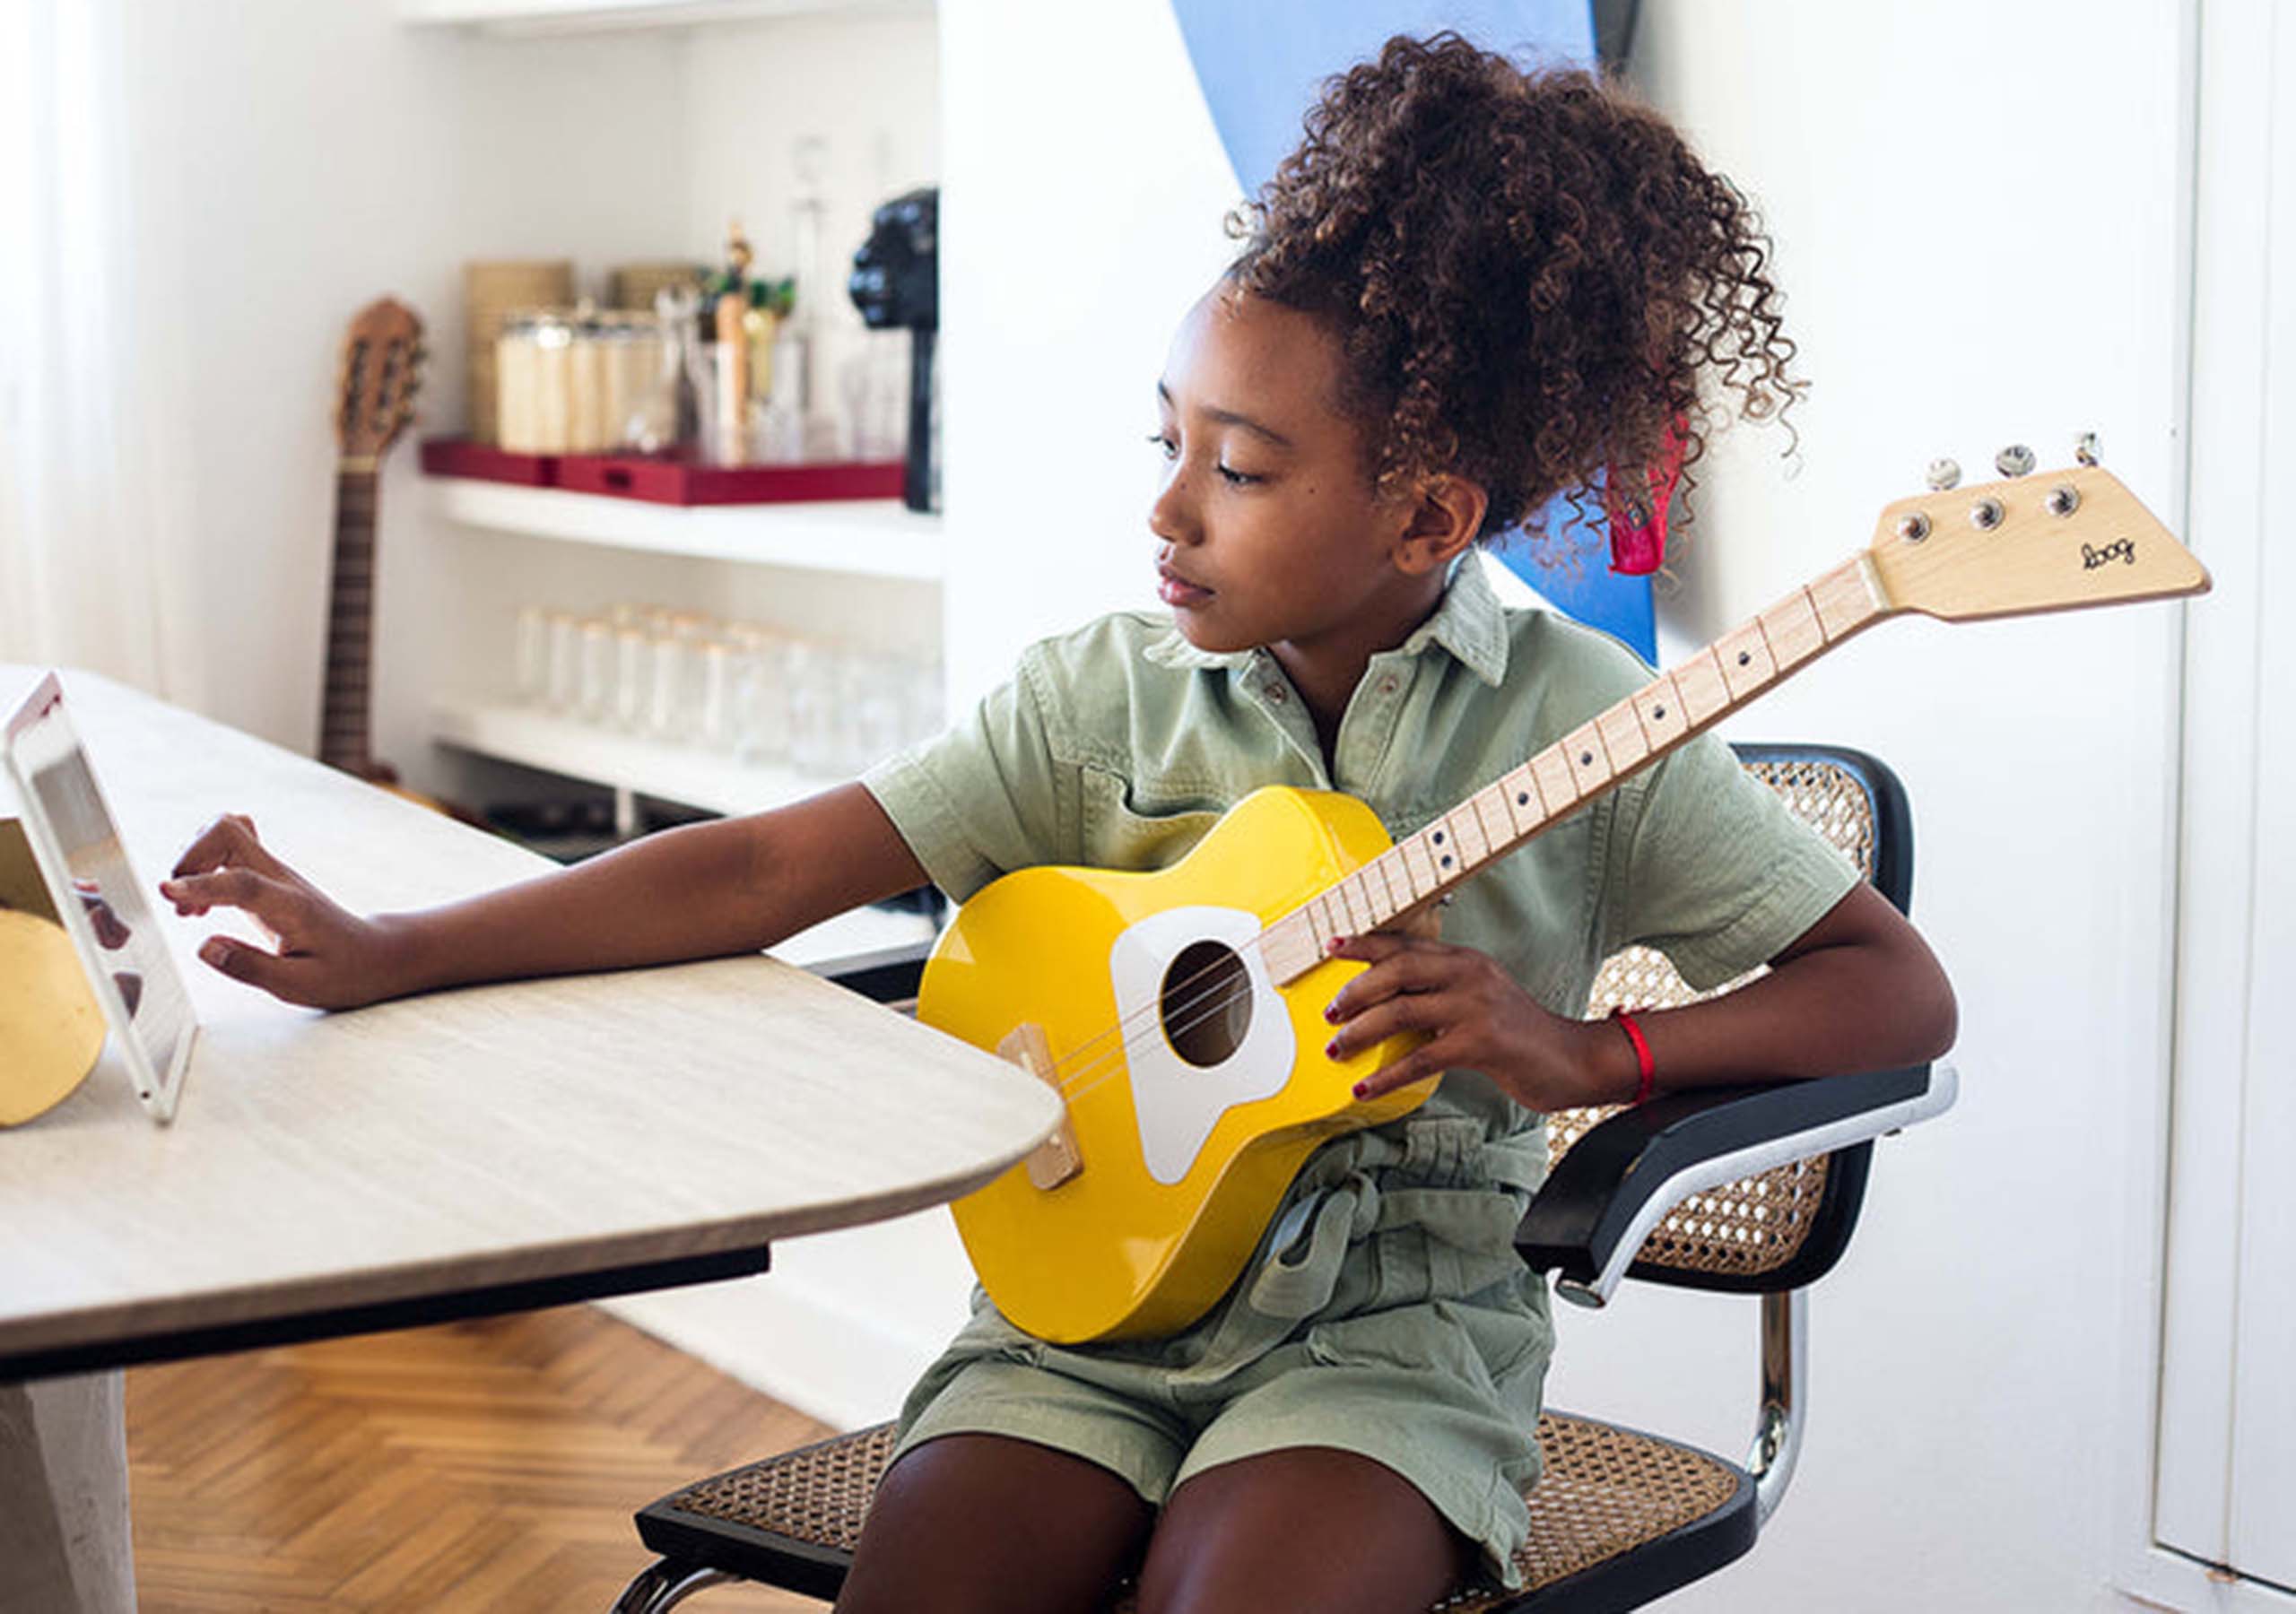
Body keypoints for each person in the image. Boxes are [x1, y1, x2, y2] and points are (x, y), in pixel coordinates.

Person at [162, 34, 1957, 1614]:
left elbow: (1890, 994)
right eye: (1165, 441)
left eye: (1238, 471)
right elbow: (769, 865)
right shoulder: (1095, 696)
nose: (1167, 512)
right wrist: (400, 948)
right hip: (1073, 1328)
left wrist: (1582, 1047)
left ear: (1424, 519)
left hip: (1389, 1348)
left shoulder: (1578, 722)